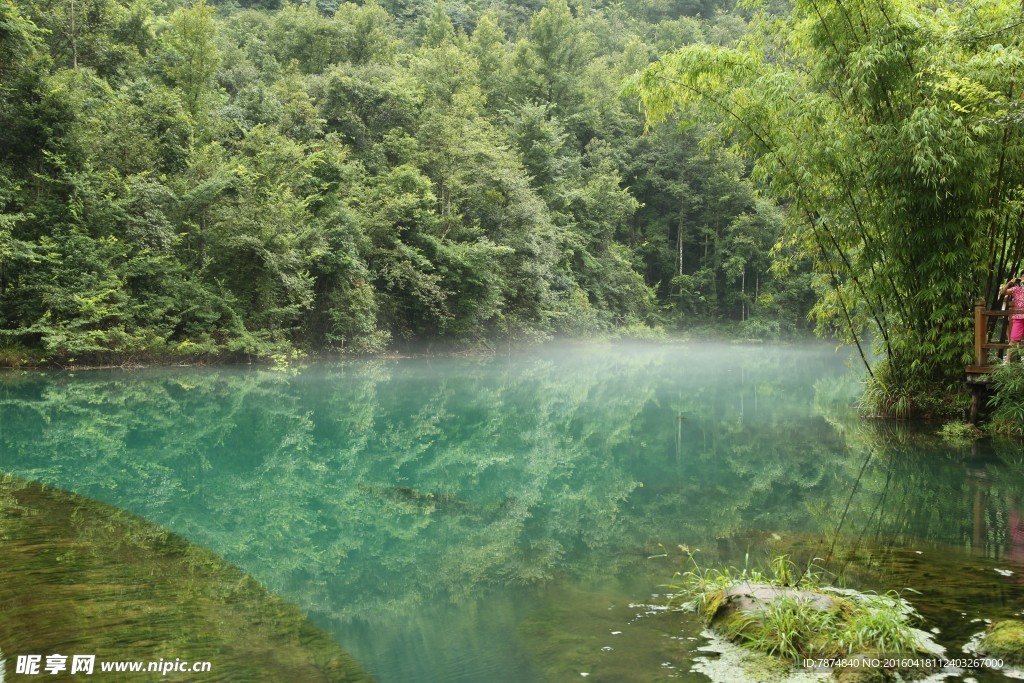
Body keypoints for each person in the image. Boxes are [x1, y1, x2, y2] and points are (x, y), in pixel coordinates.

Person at [999, 273, 1024, 362]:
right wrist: (1010, 282)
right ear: (1021, 278)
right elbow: (1003, 292)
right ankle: (1006, 363)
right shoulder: (1016, 289)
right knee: (1013, 341)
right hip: (1018, 317)